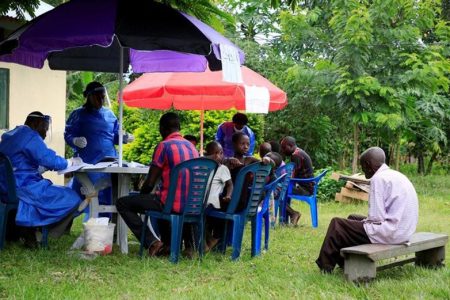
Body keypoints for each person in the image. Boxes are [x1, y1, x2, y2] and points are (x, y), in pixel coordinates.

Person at [316, 147, 419, 273]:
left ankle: (325, 267)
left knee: (337, 224)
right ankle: (347, 261)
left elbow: (376, 218)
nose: (363, 170)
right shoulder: (396, 175)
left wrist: (364, 223)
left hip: (391, 233)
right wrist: (361, 223)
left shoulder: (378, 179)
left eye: (362, 166)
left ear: (368, 165)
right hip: (404, 232)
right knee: (353, 218)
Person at [116, 112, 199, 257]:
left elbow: (150, 183)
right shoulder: (192, 147)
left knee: (123, 203)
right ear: (179, 127)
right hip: (193, 204)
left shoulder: (164, 146)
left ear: (163, 129)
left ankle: (153, 242)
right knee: (160, 197)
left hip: (170, 204)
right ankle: (177, 245)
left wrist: (141, 198)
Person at [0, 112, 82, 248]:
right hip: (23, 187)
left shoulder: (11, 135)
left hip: (6, 187)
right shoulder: (30, 136)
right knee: (72, 197)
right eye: (44, 129)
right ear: (35, 124)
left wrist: (38, 169)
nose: (44, 135)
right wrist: (70, 162)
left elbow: (17, 162)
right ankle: (42, 231)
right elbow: (51, 160)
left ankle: (29, 231)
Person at [64, 81, 134, 217]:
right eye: (98, 97)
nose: (101, 100)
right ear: (89, 96)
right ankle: (69, 223)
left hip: (109, 160)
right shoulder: (78, 115)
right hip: (88, 163)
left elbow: (114, 136)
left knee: (107, 195)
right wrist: (74, 140)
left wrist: (123, 138)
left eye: (102, 97)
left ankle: (104, 225)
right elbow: (68, 134)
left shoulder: (110, 115)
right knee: (83, 194)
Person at [204, 141, 233, 251]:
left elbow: (230, 185)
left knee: (198, 216)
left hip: (213, 202)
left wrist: (228, 195)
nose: (218, 156)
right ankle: (209, 240)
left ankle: (204, 245)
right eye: (214, 153)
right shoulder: (204, 167)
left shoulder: (222, 168)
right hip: (201, 200)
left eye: (220, 153)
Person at [280, 136, 314, 226]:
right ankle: (286, 219)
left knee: (278, 193)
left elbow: (293, 177)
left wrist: (283, 184)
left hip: (305, 190)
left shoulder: (296, 155)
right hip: (307, 187)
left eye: (284, 147)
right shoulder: (299, 152)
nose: (283, 150)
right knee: (282, 190)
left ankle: (293, 214)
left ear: (290, 146)